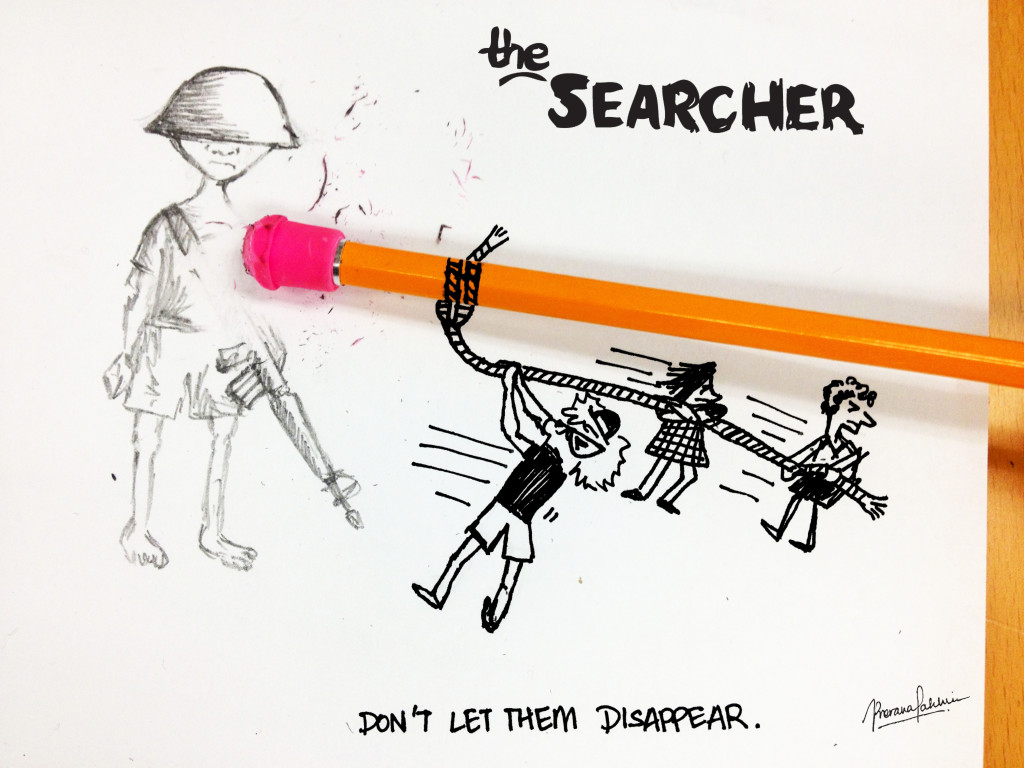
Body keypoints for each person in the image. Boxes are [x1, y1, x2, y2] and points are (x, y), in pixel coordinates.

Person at [103, 68, 300, 571]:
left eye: (240, 141)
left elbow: (252, 300)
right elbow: (140, 292)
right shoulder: (167, 224)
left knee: (222, 436)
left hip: (223, 349)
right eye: (208, 136)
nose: (224, 150)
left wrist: (272, 349)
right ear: (181, 139)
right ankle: (138, 527)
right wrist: (125, 354)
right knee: (149, 437)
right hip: (164, 342)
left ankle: (212, 532)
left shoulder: (248, 231)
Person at [412, 364, 629, 632]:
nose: (582, 443)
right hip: (505, 512)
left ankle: (487, 615)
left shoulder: (562, 460)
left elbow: (518, 426)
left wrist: (512, 386)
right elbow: (530, 416)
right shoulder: (550, 450)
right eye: (582, 434)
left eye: (590, 442)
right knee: (472, 561)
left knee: (500, 575)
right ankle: (444, 595)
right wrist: (514, 385)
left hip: (515, 518)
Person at [760, 376, 887, 553]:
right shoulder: (820, 444)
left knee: (807, 498)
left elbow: (844, 478)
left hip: (828, 489)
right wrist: (795, 467)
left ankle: (805, 539)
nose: (861, 419)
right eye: (853, 409)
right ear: (834, 409)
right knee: (799, 497)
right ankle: (785, 532)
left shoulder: (850, 451)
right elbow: (788, 471)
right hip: (814, 482)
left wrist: (823, 471)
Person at [620, 361, 726, 514]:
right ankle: (643, 492)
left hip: (689, 439)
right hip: (679, 436)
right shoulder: (684, 406)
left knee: (688, 475)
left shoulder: (694, 408)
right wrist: (672, 409)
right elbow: (669, 414)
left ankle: (664, 499)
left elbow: (685, 414)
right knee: (664, 465)